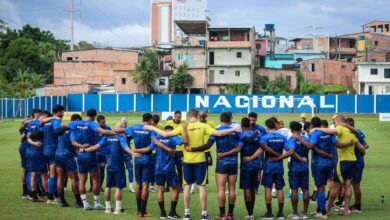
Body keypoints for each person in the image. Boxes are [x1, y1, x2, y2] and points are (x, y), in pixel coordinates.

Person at [145, 109, 239, 220]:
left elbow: (165, 134)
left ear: (189, 116)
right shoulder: (203, 126)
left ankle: (186, 214)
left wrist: (151, 127)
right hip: (200, 160)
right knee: (202, 187)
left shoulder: (183, 127)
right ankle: (204, 214)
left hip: (187, 161)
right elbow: (218, 133)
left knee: (187, 187)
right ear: (197, 116)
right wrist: (234, 129)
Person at [188, 112, 243, 220]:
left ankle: (222, 215)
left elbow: (207, 145)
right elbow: (240, 145)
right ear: (231, 118)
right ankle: (230, 215)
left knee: (221, 190)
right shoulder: (236, 130)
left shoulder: (217, 131)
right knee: (232, 189)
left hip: (221, 163)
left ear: (220, 119)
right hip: (233, 162)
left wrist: (193, 149)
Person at [311, 115, 365, 216]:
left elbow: (332, 132)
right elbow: (362, 148)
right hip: (353, 161)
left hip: (343, 162)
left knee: (335, 186)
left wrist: (317, 128)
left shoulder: (340, 128)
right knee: (348, 185)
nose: (334, 125)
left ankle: (327, 210)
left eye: (335, 123)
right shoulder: (352, 132)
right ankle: (345, 210)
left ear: (338, 122)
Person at [85, 123, 140, 215]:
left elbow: (97, 146)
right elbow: (125, 147)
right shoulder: (120, 137)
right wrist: (132, 153)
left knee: (108, 187)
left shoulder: (106, 137)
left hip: (109, 164)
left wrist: (84, 150)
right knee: (119, 187)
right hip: (118, 165)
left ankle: (107, 208)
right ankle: (118, 209)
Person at [67, 109, 116, 210]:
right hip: (90, 154)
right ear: (94, 116)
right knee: (95, 180)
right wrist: (115, 132)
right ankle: (96, 204)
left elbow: (72, 141)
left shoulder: (76, 124)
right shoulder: (92, 124)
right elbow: (102, 131)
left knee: (82, 180)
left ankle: (85, 204)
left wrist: (81, 146)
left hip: (80, 154)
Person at [120, 113, 157, 217]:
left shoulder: (134, 128)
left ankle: (138, 210)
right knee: (145, 186)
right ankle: (143, 211)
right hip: (147, 159)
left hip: (137, 158)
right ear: (150, 120)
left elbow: (120, 131)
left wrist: (133, 150)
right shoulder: (152, 130)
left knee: (138, 185)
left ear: (142, 119)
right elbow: (150, 148)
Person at [260, 118, 294, 220]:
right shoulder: (283, 138)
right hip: (279, 166)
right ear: (275, 125)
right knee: (280, 189)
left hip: (268, 166)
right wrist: (280, 157)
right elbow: (290, 150)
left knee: (268, 189)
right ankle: (280, 213)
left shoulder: (264, 137)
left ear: (267, 127)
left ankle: (269, 213)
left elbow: (263, 149)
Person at [150, 125, 183, 219]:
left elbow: (150, 148)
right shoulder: (173, 138)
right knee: (176, 188)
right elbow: (182, 142)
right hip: (169, 169)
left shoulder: (158, 138)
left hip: (158, 168)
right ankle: (172, 212)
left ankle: (162, 213)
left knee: (160, 189)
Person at [53, 114, 83, 207]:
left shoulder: (61, 128)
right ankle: (78, 202)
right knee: (74, 179)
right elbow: (74, 144)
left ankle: (62, 201)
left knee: (60, 178)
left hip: (58, 154)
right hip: (67, 156)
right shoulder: (73, 130)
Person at [40, 105, 65, 204]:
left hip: (46, 150)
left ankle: (54, 195)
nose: (63, 114)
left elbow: (40, 122)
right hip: (53, 150)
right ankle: (51, 198)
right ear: (58, 112)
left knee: (51, 174)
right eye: (62, 112)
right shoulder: (55, 121)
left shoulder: (47, 121)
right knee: (54, 175)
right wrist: (67, 128)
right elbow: (57, 131)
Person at [239, 117, 263, 220]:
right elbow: (262, 148)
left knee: (247, 189)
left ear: (242, 125)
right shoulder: (258, 134)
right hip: (256, 164)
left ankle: (250, 214)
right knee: (253, 189)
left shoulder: (241, 135)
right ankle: (251, 212)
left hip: (246, 165)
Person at [286, 121, 311, 219]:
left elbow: (291, 152)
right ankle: (305, 213)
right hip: (305, 167)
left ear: (291, 130)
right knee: (305, 190)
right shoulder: (306, 138)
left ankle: (295, 213)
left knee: (294, 190)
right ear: (301, 129)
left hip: (294, 167)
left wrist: (300, 159)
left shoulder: (291, 139)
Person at [345, 118, 369, 214]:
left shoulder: (354, 133)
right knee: (351, 184)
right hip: (355, 161)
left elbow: (365, 146)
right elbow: (365, 146)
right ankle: (354, 205)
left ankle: (358, 206)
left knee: (355, 185)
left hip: (356, 162)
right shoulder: (356, 132)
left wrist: (360, 149)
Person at [27, 111, 49, 202]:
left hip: (32, 151)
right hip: (39, 152)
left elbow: (28, 137)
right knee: (43, 174)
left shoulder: (31, 123)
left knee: (33, 174)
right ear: (42, 117)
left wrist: (34, 143)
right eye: (46, 118)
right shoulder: (41, 125)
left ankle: (34, 195)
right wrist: (36, 143)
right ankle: (49, 196)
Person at [166, 110, 187, 192]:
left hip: (180, 150)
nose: (179, 119)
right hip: (171, 149)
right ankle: (168, 186)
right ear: (174, 116)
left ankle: (180, 186)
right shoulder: (169, 123)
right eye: (177, 117)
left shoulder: (184, 123)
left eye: (180, 117)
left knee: (179, 169)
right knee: (169, 168)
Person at [18, 110, 35, 199]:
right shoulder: (26, 125)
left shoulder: (32, 124)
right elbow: (20, 130)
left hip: (27, 147)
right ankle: (27, 191)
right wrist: (25, 123)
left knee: (28, 169)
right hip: (25, 147)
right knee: (27, 169)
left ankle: (28, 191)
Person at [199, 110, 216, 186]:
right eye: (200, 117)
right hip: (198, 149)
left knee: (206, 167)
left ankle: (205, 181)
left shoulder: (210, 124)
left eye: (203, 117)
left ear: (206, 116)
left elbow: (217, 132)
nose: (202, 118)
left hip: (207, 150)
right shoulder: (196, 124)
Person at [94, 115, 111, 192]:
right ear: (98, 122)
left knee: (102, 169)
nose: (104, 123)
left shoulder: (108, 128)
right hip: (95, 152)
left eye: (105, 122)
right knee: (95, 170)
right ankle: (93, 186)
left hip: (104, 153)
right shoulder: (94, 128)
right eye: (102, 122)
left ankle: (100, 186)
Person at [120, 118, 136, 193]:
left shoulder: (129, 131)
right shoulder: (117, 131)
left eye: (126, 123)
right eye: (124, 123)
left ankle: (131, 187)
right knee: (120, 170)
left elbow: (135, 137)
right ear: (121, 122)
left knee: (130, 169)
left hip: (128, 153)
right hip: (119, 153)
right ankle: (121, 186)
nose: (125, 125)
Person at [150, 114, 163, 193]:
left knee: (157, 168)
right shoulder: (148, 127)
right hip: (149, 150)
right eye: (153, 123)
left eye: (156, 123)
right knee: (151, 168)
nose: (154, 124)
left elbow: (162, 136)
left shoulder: (160, 126)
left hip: (158, 150)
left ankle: (156, 184)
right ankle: (151, 185)